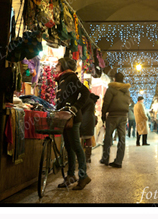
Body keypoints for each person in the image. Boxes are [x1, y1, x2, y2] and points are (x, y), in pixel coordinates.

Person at [54, 58, 92, 190]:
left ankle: (83, 176)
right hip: (64, 117)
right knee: (69, 147)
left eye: (58, 64)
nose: (56, 66)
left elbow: (86, 92)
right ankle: (70, 176)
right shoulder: (62, 79)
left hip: (72, 119)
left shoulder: (71, 78)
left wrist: (75, 108)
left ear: (64, 65)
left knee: (76, 146)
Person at [100, 72, 131, 168]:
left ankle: (105, 158)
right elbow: (128, 102)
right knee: (122, 139)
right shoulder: (127, 90)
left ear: (114, 79)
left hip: (113, 116)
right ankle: (118, 161)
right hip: (123, 116)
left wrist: (103, 113)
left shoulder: (111, 89)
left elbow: (106, 102)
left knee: (108, 137)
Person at [80, 93, 100, 163]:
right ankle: (87, 157)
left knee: (79, 138)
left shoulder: (86, 100)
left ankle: (81, 156)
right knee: (88, 138)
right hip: (90, 120)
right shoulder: (91, 102)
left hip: (83, 120)